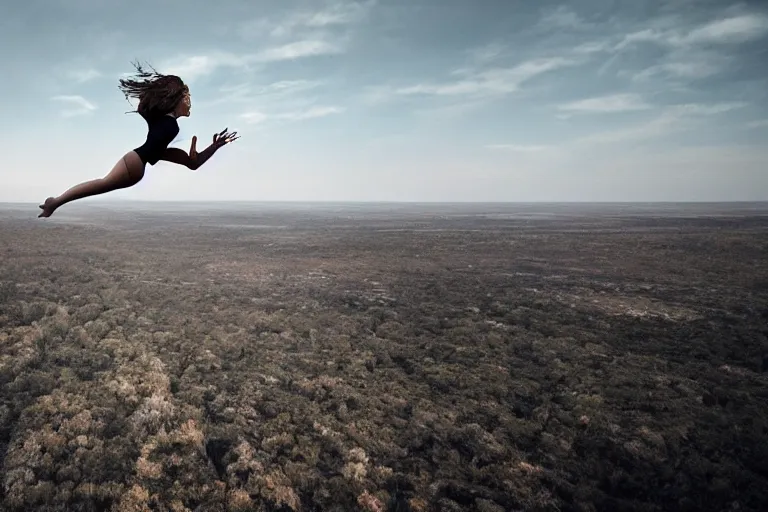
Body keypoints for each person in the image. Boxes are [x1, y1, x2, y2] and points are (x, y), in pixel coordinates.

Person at [38, 61, 239, 218]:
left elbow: (175, 158)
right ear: (176, 100)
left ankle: (55, 202)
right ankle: (54, 203)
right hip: (134, 162)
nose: (189, 103)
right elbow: (164, 154)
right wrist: (197, 154)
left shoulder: (164, 123)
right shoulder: (170, 126)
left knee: (100, 184)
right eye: (186, 99)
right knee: (100, 185)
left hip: (135, 162)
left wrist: (211, 148)